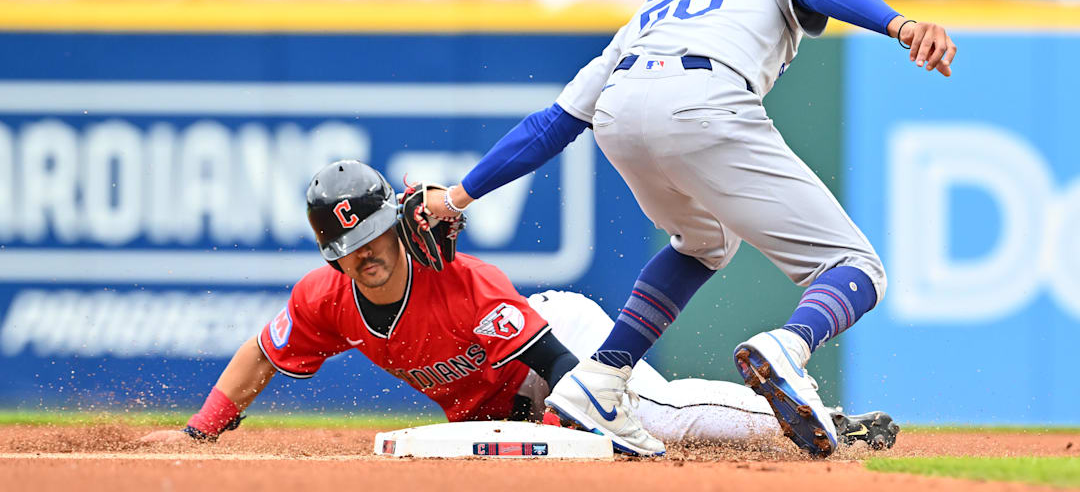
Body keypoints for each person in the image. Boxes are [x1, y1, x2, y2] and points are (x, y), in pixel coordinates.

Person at [423, 0, 956, 458]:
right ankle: (789, 346)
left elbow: (552, 124)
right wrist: (900, 24)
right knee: (857, 268)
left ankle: (602, 378)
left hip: (620, 113)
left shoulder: (651, 9)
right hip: (706, 101)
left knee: (704, 242)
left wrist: (457, 196)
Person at [140, 160, 899, 451]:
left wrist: (573, 418)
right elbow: (261, 355)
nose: (362, 254)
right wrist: (200, 431)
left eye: (374, 235)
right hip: (498, 398)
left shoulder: (464, 284)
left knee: (650, 413)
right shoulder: (323, 300)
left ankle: (824, 423)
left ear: (399, 228)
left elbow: (568, 375)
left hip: (552, 340)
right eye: (346, 247)